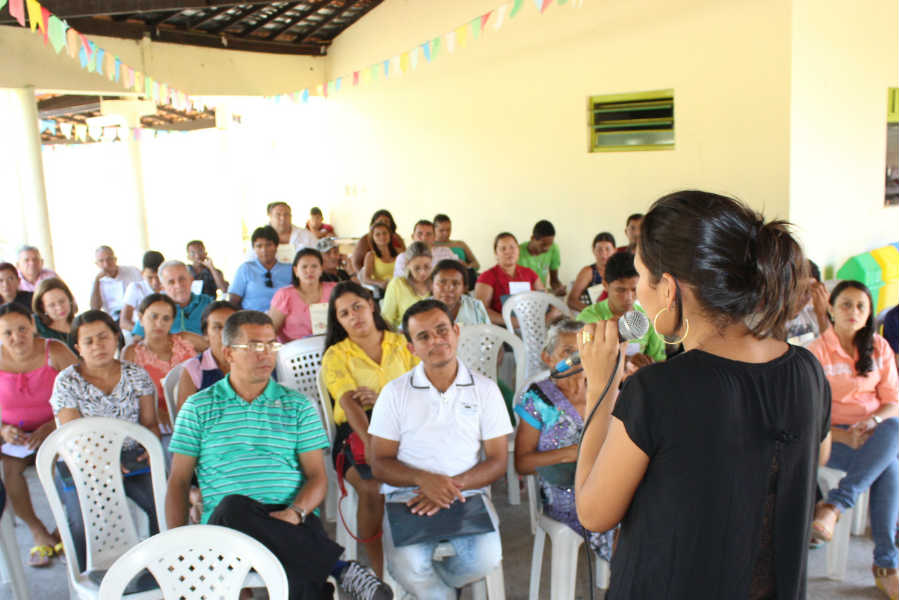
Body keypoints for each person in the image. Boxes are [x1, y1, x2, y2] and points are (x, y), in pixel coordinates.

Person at [574, 190, 831, 599]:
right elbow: (818, 456)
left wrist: (599, 387)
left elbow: (593, 512)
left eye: (641, 277)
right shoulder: (807, 370)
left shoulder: (657, 389)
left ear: (669, 289)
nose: (638, 296)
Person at [166, 310, 392, 600]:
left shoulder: (298, 406)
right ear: (229, 353)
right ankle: (338, 567)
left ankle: (330, 567)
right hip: (227, 531)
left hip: (293, 517)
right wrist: (176, 546)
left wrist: (295, 512)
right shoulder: (198, 407)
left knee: (297, 565)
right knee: (231, 507)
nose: (265, 354)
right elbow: (178, 481)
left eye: (271, 345)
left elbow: (316, 477)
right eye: (254, 346)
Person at [369, 299, 511, 598]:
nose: (435, 340)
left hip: (468, 492)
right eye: (423, 336)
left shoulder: (485, 389)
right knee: (408, 565)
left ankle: (434, 590)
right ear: (412, 348)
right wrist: (423, 480)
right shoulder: (395, 393)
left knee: (485, 560)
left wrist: (447, 487)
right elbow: (379, 462)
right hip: (408, 495)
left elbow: (498, 461)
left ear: (456, 332)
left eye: (442, 330)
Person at [50, 310, 161, 572]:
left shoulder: (135, 374)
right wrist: (104, 461)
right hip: (84, 462)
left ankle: (158, 568)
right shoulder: (67, 382)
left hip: (131, 458)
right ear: (78, 347)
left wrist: (150, 445)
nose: (97, 345)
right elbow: (74, 437)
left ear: (115, 338)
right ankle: (88, 576)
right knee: (80, 523)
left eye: (103, 337)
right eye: (88, 341)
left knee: (161, 505)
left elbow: (150, 424)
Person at [808, 281, 898, 598]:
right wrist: (845, 435)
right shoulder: (815, 353)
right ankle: (886, 567)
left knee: (894, 430)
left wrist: (872, 422)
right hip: (830, 440)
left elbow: (892, 401)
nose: (854, 311)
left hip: (875, 434)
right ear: (830, 309)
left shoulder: (879, 347)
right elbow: (805, 416)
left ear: (869, 312)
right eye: (846, 304)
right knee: (890, 466)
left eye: (861, 306)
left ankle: (834, 504)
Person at [321, 281, 419, 576]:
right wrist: (373, 446)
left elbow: (423, 390)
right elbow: (350, 404)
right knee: (372, 488)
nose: (354, 316)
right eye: (344, 313)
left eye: (357, 307)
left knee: (432, 471)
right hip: (357, 432)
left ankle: (422, 555)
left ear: (371, 305)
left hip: (407, 423)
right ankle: (382, 572)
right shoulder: (336, 355)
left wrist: (384, 399)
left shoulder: (402, 343)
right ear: (338, 321)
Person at [514, 318, 614, 563]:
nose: (579, 359)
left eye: (584, 350)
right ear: (547, 358)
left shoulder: (606, 390)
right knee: (615, 515)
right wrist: (573, 453)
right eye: (569, 352)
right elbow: (522, 464)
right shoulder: (539, 399)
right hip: (564, 491)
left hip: (605, 481)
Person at [0, 303, 76, 566]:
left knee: (66, 468)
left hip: (58, 427)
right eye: (7, 333)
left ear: (33, 325)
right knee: (10, 471)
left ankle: (65, 530)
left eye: (22, 329)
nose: (16, 337)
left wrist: (53, 425)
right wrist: (3, 430)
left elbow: (83, 389)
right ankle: (38, 531)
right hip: (16, 438)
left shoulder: (54, 351)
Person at [576, 252, 666, 374]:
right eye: (620, 290)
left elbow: (659, 361)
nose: (628, 297)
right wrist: (623, 362)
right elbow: (582, 364)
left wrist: (648, 365)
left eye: (634, 289)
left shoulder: (648, 318)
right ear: (605, 285)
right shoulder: (588, 320)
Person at [123, 294, 198, 431]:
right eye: (154, 316)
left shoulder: (186, 340)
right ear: (141, 318)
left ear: (172, 321)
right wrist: (155, 412)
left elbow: (218, 353)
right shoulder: (132, 353)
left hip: (197, 418)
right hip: (157, 426)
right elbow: (127, 395)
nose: (159, 323)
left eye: (166, 318)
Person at [475, 232, 544, 327]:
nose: (508, 252)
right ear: (496, 253)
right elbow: (481, 310)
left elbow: (544, 300)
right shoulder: (487, 277)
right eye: (503, 249)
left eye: (512, 247)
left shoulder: (530, 273)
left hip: (532, 326)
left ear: (518, 250)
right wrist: (511, 321)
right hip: (501, 328)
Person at [176, 301, 236, 410]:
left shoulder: (252, 363)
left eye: (231, 326)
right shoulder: (193, 369)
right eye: (217, 327)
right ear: (205, 334)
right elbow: (185, 417)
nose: (225, 333)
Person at [132, 261, 214, 339]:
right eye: (171, 282)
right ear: (162, 287)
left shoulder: (208, 303)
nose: (178, 285)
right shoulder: (153, 307)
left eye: (182, 279)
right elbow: (137, 339)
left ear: (191, 280)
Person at [269, 248, 337, 342]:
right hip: (295, 349)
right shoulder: (284, 295)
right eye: (304, 267)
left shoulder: (334, 290)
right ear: (296, 271)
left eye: (314, 266)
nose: (309, 270)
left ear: (321, 269)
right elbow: (271, 331)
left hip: (331, 346)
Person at [229, 226, 293, 312]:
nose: (264, 250)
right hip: (251, 318)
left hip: (283, 318)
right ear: (253, 248)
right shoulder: (245, 269)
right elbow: (233, 301)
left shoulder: (290, 269)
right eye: (259, 246)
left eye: (268, 245)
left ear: (276, 246)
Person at [381, 242, 432, 328]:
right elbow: (386, 319)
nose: (422, 273)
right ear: (408, 264)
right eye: (417, 268)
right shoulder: (397, 284)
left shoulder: (436, 284)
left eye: (427, 267)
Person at [567, 232, 616, 312]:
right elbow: (571, 301)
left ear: (614, 250)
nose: (604, 254)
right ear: (593, 250)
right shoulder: (588, 272)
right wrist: (593, 312)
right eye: (599, 249)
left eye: (607, 249)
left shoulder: (619, 271)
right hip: (592, 314)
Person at [391, 220, 458, 279]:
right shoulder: (403, 258)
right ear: (413, 236)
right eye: (420, 234)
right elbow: (402, 282)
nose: (424, 238)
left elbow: (457, 273)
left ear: (434, 237)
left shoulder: (446, 253)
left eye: (428, 234)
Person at [89, 246, 143, 319]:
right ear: (97, 264)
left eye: (109, 259)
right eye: (101, 261)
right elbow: (95, 309)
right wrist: (97, 281)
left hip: (137, 313)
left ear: (115, 259)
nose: (106, 264)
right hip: (114, 318)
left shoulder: (133, 271)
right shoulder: (96, 282)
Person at [784, 260, 830, 346]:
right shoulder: (770, 318)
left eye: (807, 290)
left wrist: (822, 315)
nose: (801, 296)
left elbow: (830, 347)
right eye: (797, 289)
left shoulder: (815, 314)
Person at [430, 260, 488, 326]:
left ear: (464, 288)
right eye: (442, 282)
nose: (448, 288)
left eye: (455, 283)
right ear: (431, 285)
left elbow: (487, 331)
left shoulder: (476, 306)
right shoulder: (422, 309)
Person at [120, 250, 164, 333]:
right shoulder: (136, 288)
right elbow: (124, 322)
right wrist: (146, 333)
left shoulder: (170, 288)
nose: (155, 282)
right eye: (150, 277)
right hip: (138, 333)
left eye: (158, 277)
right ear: (142, 273)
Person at [518, 220, 565, 296]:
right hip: (522, 296)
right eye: (543, 245)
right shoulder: (517, 253)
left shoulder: (554, 249)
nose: (547, 249)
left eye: (550, 244)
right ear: (532, 238)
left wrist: (558, 288)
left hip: (541, 296)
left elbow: (554, 280)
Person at [32, 278, 78, 350]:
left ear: (69, 298)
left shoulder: (79, 326)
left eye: (62, 301)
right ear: (42, 307)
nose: (59, 308)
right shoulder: (34, 323)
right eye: (52, 305)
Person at [360, 222, 398, 294]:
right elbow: (366, 279)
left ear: (390, 235)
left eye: (385, 233)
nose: (382, 237)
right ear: (373, 238)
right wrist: (379, 282)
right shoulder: (371, 255)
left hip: (400, 288)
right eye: (377, 234)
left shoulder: (399, 252)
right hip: (383, 291)